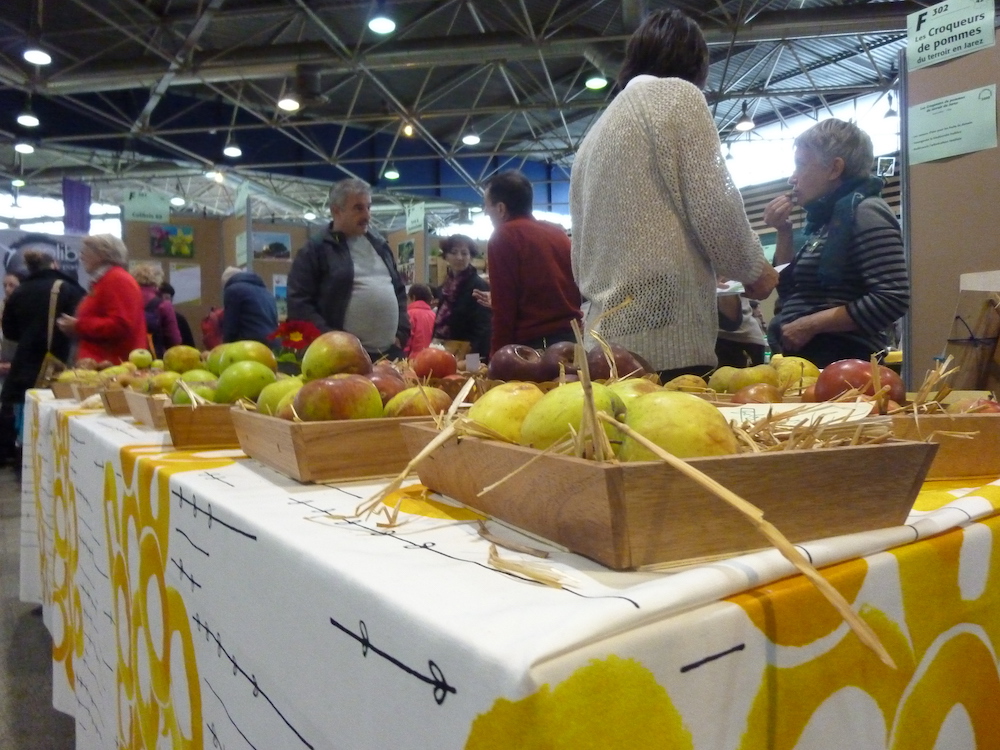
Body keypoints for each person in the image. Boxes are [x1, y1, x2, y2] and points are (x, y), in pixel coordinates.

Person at [569, 8, 777, 383]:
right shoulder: (675, 96)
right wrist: (753, 268)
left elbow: (579, 251)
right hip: (666, 337)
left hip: (603, 339)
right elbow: (714, 202)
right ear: (697, 64)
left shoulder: (593, 137)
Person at [762, 118, 909, 367]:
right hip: (818, 360)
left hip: (846, 363)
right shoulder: (829, 220)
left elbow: (892, 297)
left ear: (834, 169)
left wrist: (809, 325)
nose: (792, 178)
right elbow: (790, 290)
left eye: (801, 165)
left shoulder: (865, 211)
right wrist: (783, 231)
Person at [287, 178, 409, 360]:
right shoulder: (315, 250)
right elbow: (299, 304)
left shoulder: (381, 246)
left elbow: (399, 291)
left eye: (368, 207)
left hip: (388, 355)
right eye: (358, 208)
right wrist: (333, 342)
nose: (367, 215)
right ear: (336, 210)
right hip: (341, 359)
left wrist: (401, 332)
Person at [482, 170, 582, 355]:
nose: (486, 212)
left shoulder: (503, 236)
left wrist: (496, 358)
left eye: (487, 208)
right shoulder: (557, 234)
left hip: (535, 348)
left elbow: (504, 308)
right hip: (573, 339)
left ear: (501, 209)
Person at [1, 250, 85, 467]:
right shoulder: (68, 289)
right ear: (55, 264)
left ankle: (28, 469)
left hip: (24, 366)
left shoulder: (19, 292)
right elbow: (82, 326)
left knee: (26, 421)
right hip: (60, 364)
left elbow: (10, 332)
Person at [56, 234, 146, 365]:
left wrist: (78, 325)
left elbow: (121, 325)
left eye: (85, 251)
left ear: (103, 254)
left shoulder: (117, 280)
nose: (81, 257)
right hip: (102, 365)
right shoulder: (105, 280)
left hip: (110, 367)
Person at [432, 234, 491, 358]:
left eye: (464, 253)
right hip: (445, 348)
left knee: (471, 377)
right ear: (446, 256)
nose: (459, 257)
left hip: (471, 352)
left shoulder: (479, 285)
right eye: (454, 252)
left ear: (470, 257)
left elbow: (483, 326)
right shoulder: (445, 288)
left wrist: (473, 358)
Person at [132, 263, 182, 357]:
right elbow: (174, 340)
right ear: (157, 282)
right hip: (153, 358)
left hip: (127, 357)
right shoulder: (164, 305)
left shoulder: (126, 300)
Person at [221, 266, 278, 344]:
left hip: (252, 345)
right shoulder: (267, 293)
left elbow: (230, 328)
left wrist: (223, 350)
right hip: (274, 344)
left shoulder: (232, 290)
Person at [158, 282, 196, 347]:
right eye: (160, 298)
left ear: (172, 300)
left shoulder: (179, 320)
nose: (163, 302)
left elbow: (189, 347)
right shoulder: (151, 319)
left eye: (167, 298)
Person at [404, 284, 437, 357]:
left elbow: (406, 340)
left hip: (413, 360)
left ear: (413, 297)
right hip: (432, 357)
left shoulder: (409, 314)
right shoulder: (434, 315)